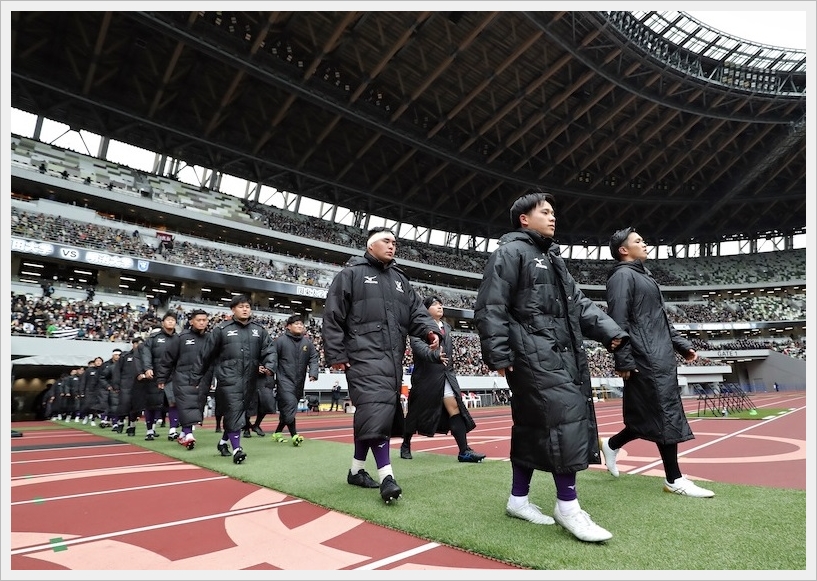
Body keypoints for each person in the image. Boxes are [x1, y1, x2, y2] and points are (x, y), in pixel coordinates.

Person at [473, 192, 628, 543]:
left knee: (531, 427)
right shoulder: (510, 252)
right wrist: (498, 354)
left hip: (557, 352)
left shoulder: (552, 257)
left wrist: (611, 332)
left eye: (553, 212)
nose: (553, 217)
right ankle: (568, 507)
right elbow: (491, 304)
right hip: (531, 352)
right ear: (524, 218)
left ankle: (518, 500)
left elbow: (579, 304)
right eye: (545, 212)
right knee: (565, 416)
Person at [323, 226, 442, 504]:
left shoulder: (400, 279)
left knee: (375, 413)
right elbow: (333, 315)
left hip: (392, 358)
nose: (392, 246)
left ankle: (356, 471)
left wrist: (429, 330)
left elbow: (416, 311)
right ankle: (387, 476)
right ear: (370, 245)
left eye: (394, 242)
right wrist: (337, 354)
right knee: (376, 410)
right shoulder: (350, 275)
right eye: (386, 241)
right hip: (362, 355)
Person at [601, 227, 715, 499]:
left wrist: (682, 345)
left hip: (659, 354)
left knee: (651, 413)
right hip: (645, 356)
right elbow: (617, 322)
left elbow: (659, 319)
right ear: (623, 250)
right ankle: (674, 479)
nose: (645, 243)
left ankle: (612, 444)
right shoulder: (622, 276)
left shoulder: (644, 276)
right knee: (665, 413)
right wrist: (623, 359)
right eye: (638, 241)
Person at [189, 294, 277, 464]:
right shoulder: (222, 330)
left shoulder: (259, 330)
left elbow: (270, 350)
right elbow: (205, 355)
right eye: (241, 306)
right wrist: (196, 377)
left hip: (250, 379)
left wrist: (269, 366)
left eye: (247, 307)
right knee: (234, 410)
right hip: (228, 378)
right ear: (233, 309)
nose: (245, 309)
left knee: (239, 413)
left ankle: (223, 442)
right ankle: (237, 449)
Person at [400, 296, 486, 463]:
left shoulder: (446, 327)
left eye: (440, 304)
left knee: (454, 408)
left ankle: (464, 451)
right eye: (435, 304)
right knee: (415, 411)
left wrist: (450, 371)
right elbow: (418, 347)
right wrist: (434, 355)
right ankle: (406, 444)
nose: (440, 306)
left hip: (445, 375)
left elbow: (450, 354)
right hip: (426, 377)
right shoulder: (419, 326)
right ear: (425, 310)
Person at [155, 309, 214, 450]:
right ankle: (188, 434)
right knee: (187, 404)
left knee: (197, 405)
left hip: (203, 378)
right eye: (198, 320)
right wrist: (161, 378)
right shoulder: (181, 338)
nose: (202, 322)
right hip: (183, 376)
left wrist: (212, 379)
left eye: (204, 320)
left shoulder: (211, 339)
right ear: (191, 321)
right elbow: (167, 359)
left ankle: (183, 433)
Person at [269, 314, 320, 445]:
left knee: (288, 409)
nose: (299, 326)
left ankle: (277, 432)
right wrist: (269, 372)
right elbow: (271, 357)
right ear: (288, 326)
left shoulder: (307, 343)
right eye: (296, 324)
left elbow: (314, 358)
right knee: (290, 405)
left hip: (299, 382)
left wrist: (313, 373)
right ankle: (294, 435)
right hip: (284, 380)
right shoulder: (280, 341)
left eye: (301, 324)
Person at [137, 312, 179, 441]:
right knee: (152, 404)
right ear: (163, 323)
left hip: (172, 376)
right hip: (154, 375)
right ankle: (150, 430)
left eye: (173, 320)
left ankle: (173, 431)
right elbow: (146, 353)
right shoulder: (154, 338)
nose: (171, 322)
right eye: (168, 320)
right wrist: (147, 368)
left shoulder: (179, 338)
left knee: (173, 403)